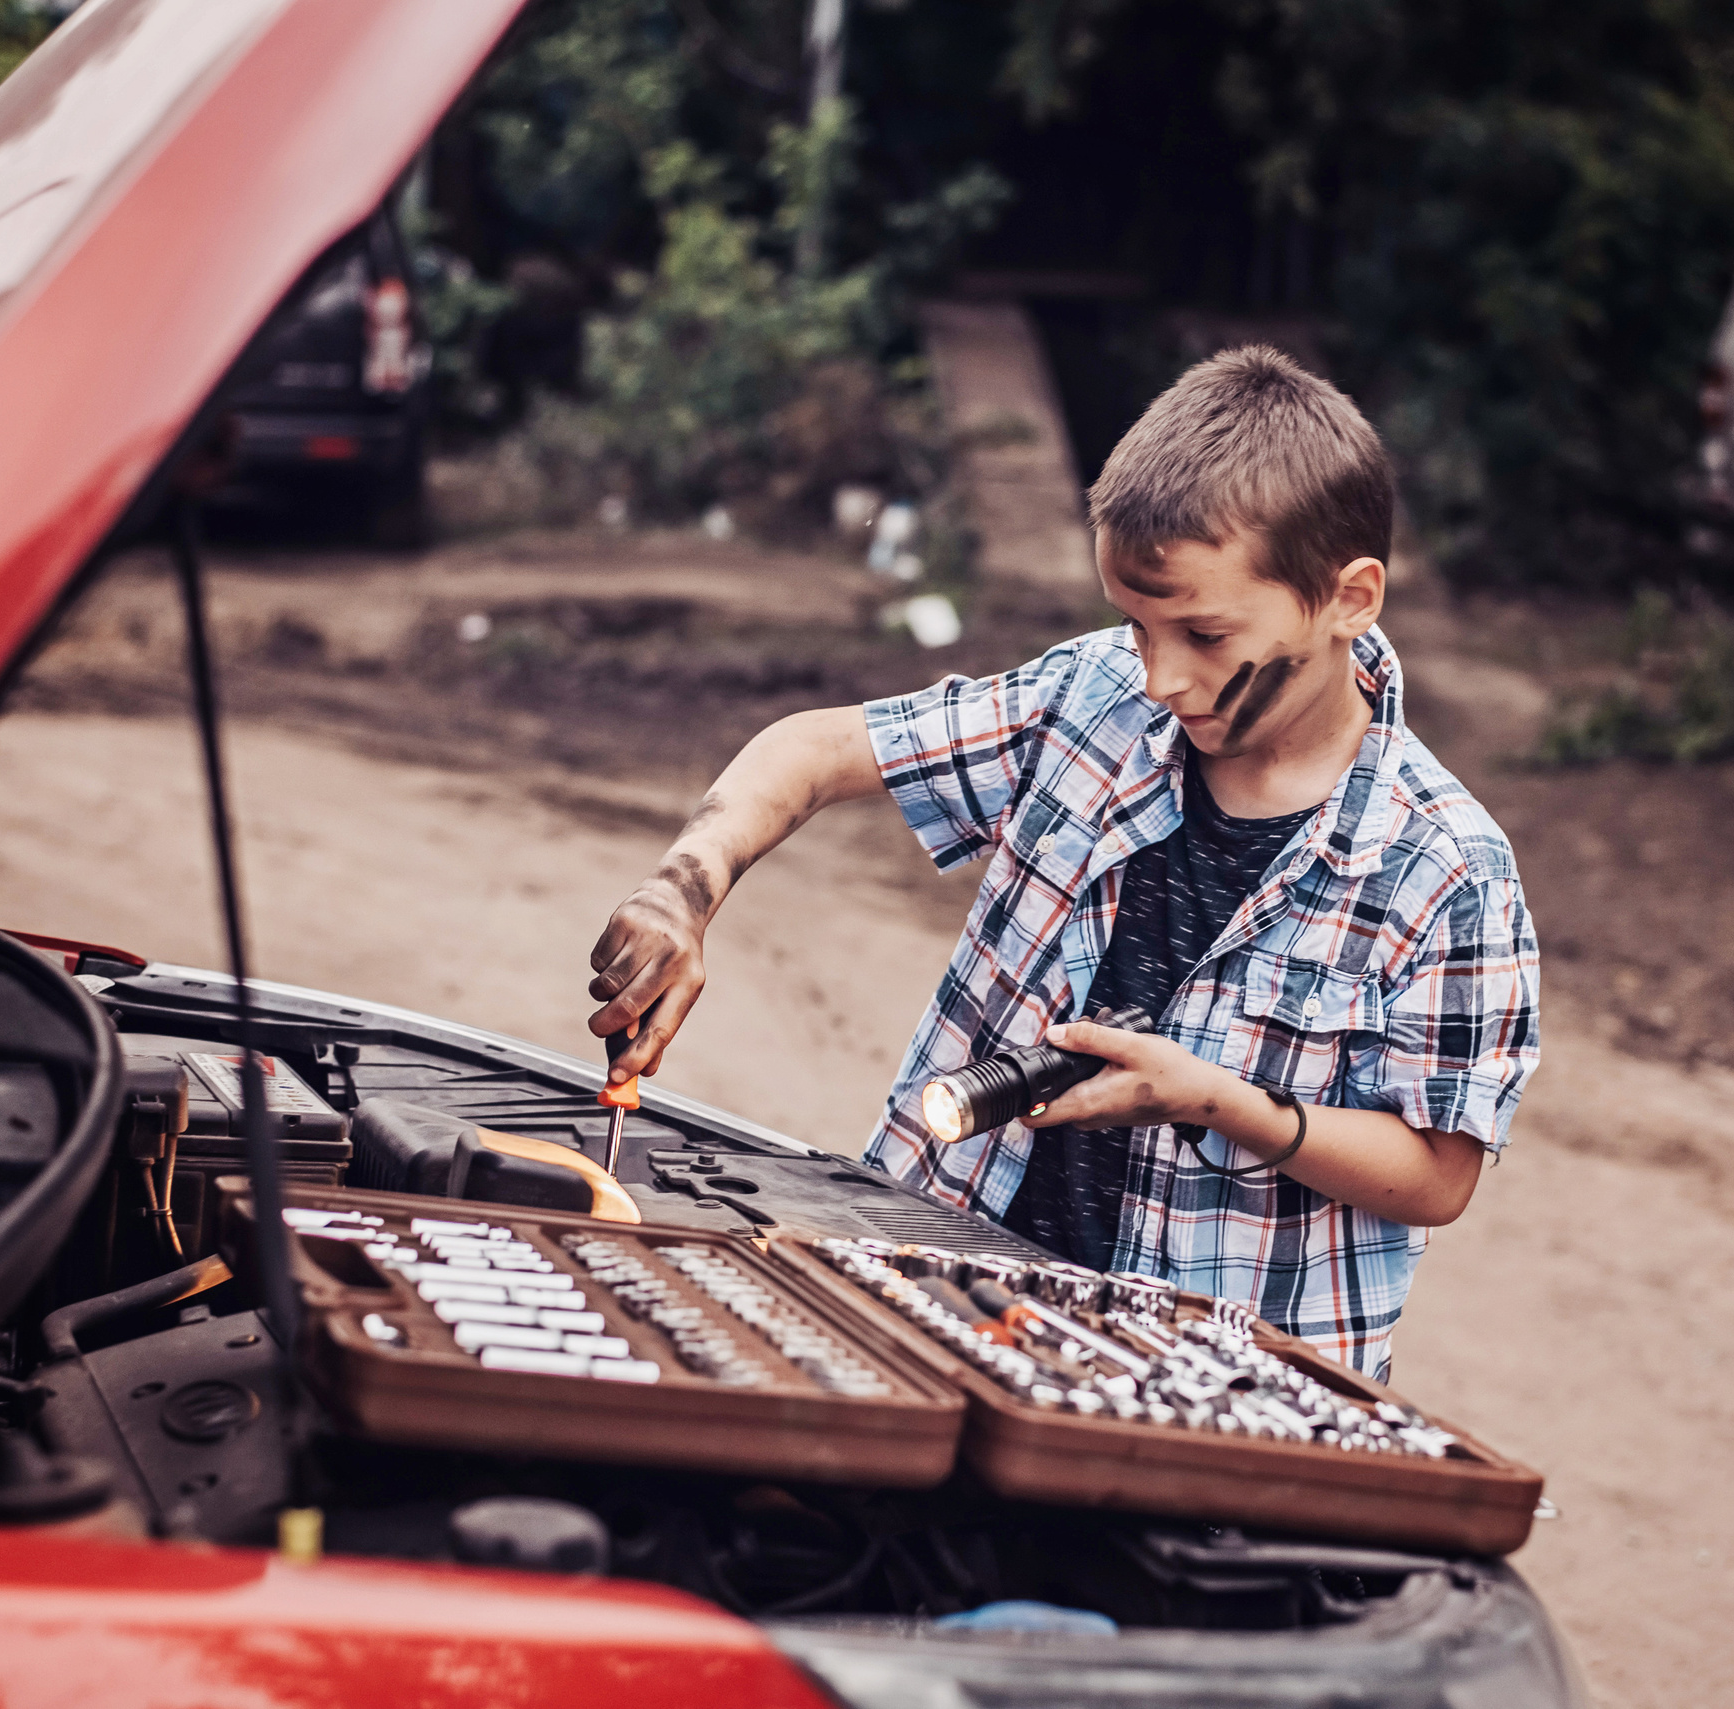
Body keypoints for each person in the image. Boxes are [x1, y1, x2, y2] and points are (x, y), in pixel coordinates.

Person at [584, 346, 1538, 1376]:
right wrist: (682, 889)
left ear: (1350, 597)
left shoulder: (1443, 865)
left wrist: (1213, 1099)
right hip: (935, 1303)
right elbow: (815, 750)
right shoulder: (1089, 700)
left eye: (1205, 633)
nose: (1162, 675)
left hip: (1199, 1390)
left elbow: (1438, 1173)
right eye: (1135, 626)